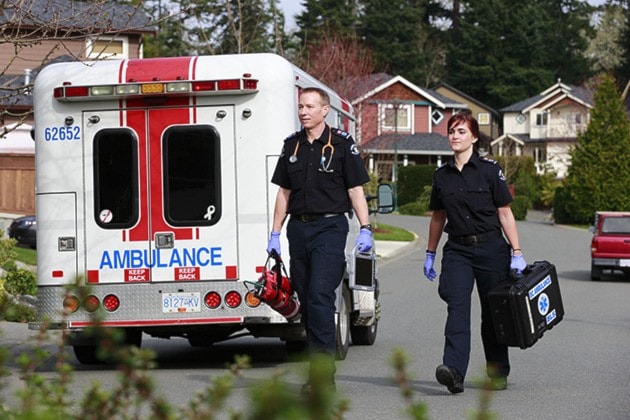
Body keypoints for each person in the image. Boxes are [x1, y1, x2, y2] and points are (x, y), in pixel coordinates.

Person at [267, 87, 373, 395]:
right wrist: (275, 233)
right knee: (308, 305)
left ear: (324, 110)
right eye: (300, 106)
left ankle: (324, 376)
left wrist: (365, 227)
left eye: (310, 106)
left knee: (320, 297)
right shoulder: (292, 146)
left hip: (329, 228)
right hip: (298, 230)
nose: (303, 111)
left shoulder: (341, 144)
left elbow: (355, 190)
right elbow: (284, 194)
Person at [423, 112, 527, 394]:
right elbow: (438, 216)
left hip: (491, 247)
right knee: (457, 306)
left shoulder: (490, 171)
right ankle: (454, 371)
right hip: (457, 249)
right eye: (452, 132)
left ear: (474, 137)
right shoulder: (441, 175)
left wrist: (516, 251)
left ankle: (497, 372)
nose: (455, 136)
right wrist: (430, 252)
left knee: (492, 313)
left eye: (461, 131)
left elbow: (504, 213)